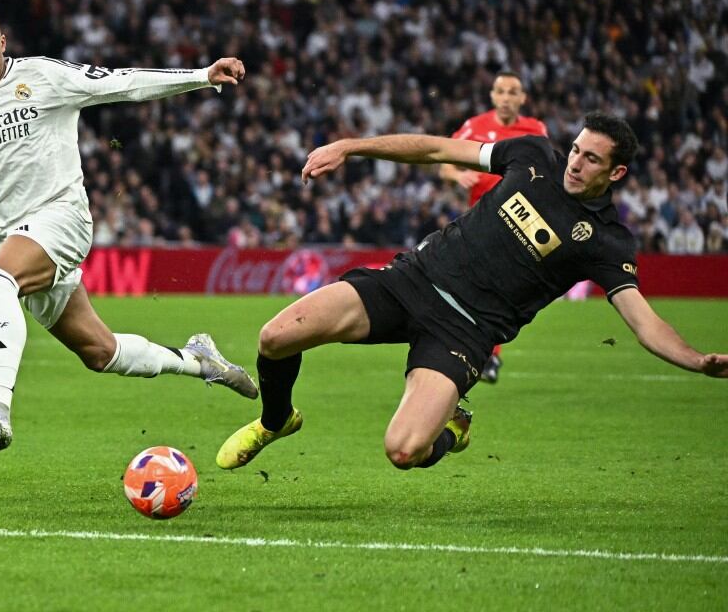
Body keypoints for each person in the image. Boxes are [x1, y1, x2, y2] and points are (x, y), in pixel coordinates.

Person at [217, 112, 728, 472]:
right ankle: (276, 420)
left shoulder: (607, 241)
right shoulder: (531, 156)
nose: (575, 163)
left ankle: (452, 426)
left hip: (464, 333)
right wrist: (350, 146)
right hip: (411, 281)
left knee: (403, 451)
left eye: (591, 159)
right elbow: (437, 149)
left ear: (616, 173)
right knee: (276, 336)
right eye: (575, 149)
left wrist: (697, 360)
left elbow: (643, 322)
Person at [0, 5, 258, 451]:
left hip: (61, 216)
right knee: (101, 353)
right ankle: (198, 360)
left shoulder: (44, 76)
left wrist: (201, 76)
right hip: (14, 239)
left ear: (3, 43)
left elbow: (122, 83)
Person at [439, 70, 548, 383]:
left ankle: (485, 353)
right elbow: (444, 162)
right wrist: (457, 175)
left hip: (519, 220)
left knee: (499, 289)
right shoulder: (474, 126)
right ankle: (485, 354)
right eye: (500, 91)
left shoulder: (535, 129)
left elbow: (546, 170)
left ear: (522, 98)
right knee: (482, 287)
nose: (506, 98)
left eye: (512, 92)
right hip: (481, 220)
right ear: (492, 96)